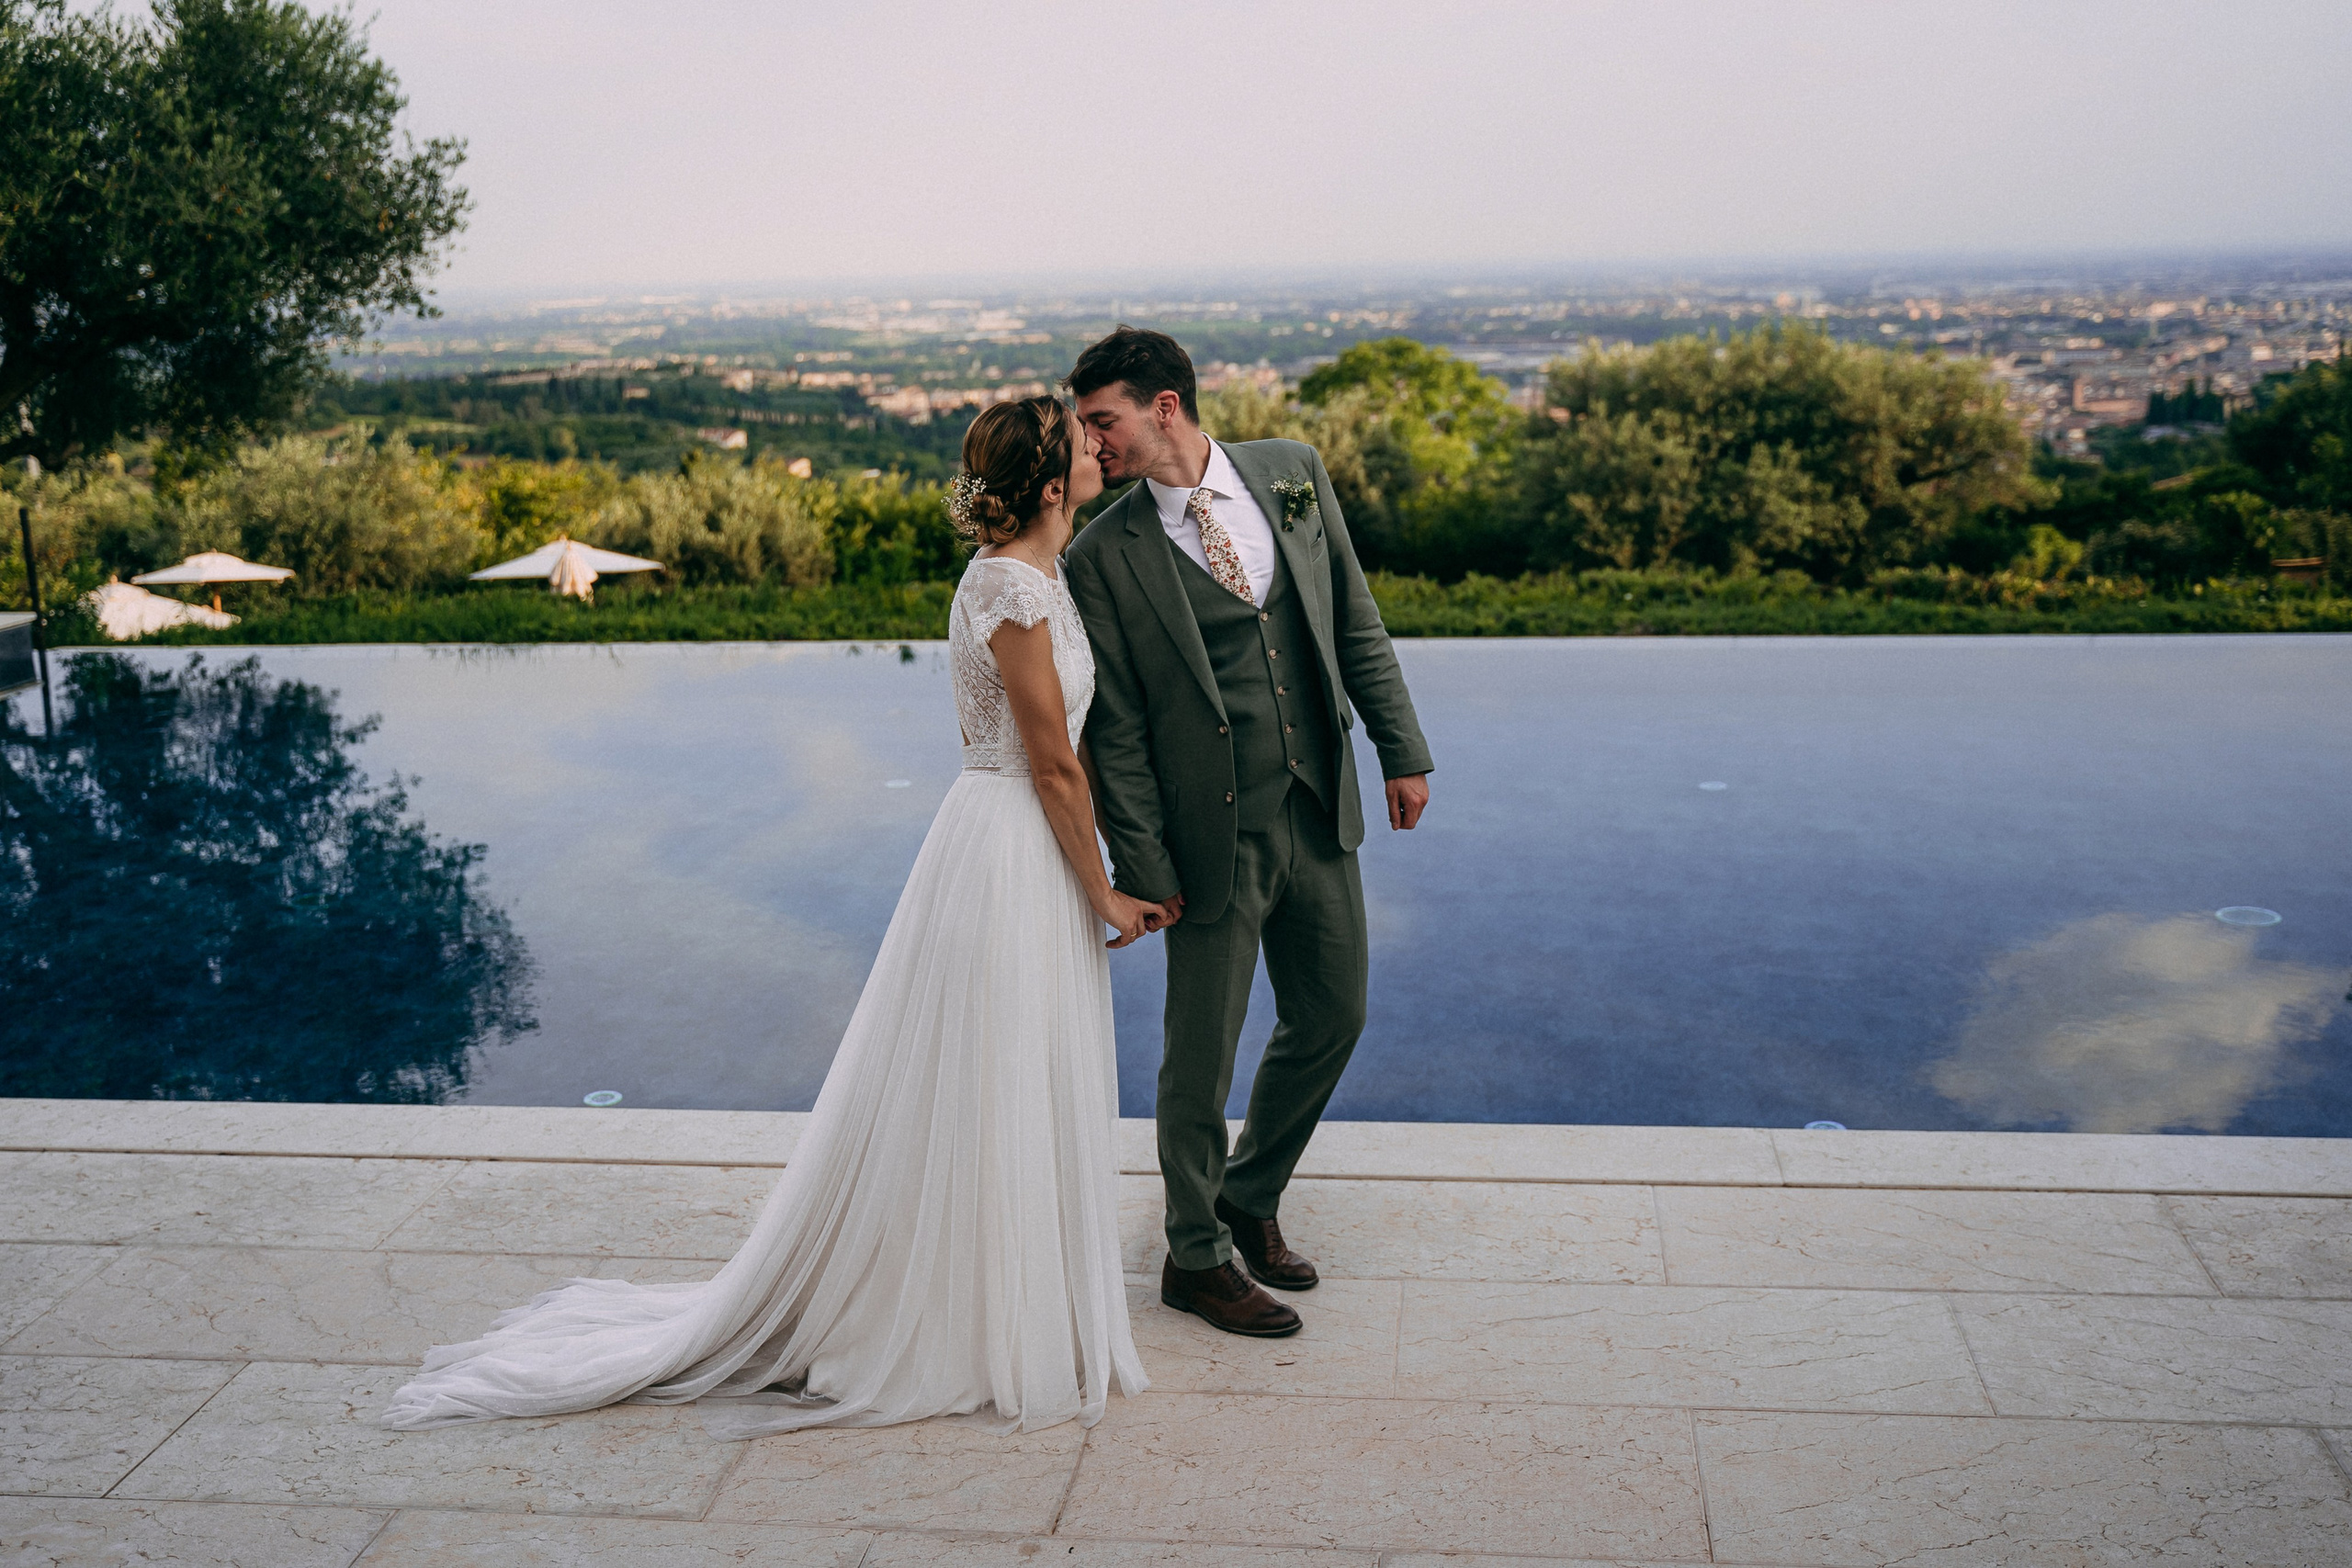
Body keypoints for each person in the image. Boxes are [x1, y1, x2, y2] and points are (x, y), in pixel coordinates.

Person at [382, 396, 1152, 1436]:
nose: (1098, 450)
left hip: (1016, 840)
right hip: (1009, 848)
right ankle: (958, 1322)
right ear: (1052, 484)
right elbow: (1052, 761)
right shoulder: (1012, 586)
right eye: (1079, 443)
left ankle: (1005, 1304)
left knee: (1011, 1072)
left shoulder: (1038, 573)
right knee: (994, 1070)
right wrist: (1100, 887)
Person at [1065, 327, 1433, 1338]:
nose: (1092, 445)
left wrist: (1403, 749)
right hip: (1205, 840)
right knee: (1200, 1054)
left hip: (1318, 807)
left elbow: (1353, 618)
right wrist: (1142, 862)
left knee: (1333, 1014)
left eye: (1104, 422)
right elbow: (1119, 730)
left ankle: (1248, 1193)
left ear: (1166, 407)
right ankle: (1193, 1254)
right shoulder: (1102, 556)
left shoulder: (1292, 475)